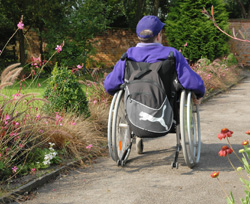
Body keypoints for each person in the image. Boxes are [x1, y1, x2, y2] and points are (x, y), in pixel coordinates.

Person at [104, 15, 205, 153]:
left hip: (134, 115)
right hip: (167, 113)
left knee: (124, 94)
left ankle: (137, 133)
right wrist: (199, 93)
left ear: (139, 36)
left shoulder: (129, 55)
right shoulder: (171, 54)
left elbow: (110, 85)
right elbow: (190, 81)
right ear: (159, 35)